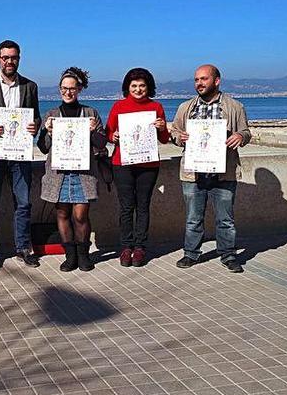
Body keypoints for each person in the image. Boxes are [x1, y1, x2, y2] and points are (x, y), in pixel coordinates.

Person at [171, 64, 252, 273]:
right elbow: (175, 133)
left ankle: (228, 255)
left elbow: (245, 131)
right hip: (193, 172)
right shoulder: (185, 107)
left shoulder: (235, 107)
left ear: (216, 81)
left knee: (225, 218)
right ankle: (191, 254)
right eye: (197, 79)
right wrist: (180, 137)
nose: (199, 83)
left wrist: (240, 136)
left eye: (204, 79)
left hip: (223, 172)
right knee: (192, 218)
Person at [0, 40, 41, 269]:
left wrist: (35, 126)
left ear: (19, 58)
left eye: (13, 57)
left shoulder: (30, 86)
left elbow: (37, 117)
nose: (9, 61)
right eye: (5, 57)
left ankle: (23, 248)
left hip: (20, 154)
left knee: (23, 203)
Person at [37, 67, 108, 272]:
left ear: (79, 89)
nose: (68, 92)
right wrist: (48, 132)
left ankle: (83, 254)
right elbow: (43, 147)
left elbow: (101, 144)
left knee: (80, 215)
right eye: (64, 88)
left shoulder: (90, 113)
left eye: (72, 88)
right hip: (58, 173)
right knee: (62, 214)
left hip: (83, 173)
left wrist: (94, 130)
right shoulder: (51, 114)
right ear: (59, 90)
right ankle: (70, 255)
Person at [105, 68, 170, 267]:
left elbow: (165, 139)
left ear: (148, 87)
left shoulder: (156, 107)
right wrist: (112, 137)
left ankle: (140, 247)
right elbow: (109, 133)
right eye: (134, 86)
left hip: (148, 164)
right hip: (122, 163)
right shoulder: (118, 106)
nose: (138, 89)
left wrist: (161, 128)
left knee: (143, 206)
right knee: (126, 207)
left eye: (142, 85)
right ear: (128, 87)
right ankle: (126, 247)